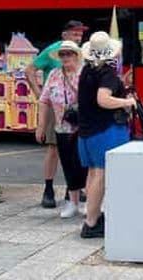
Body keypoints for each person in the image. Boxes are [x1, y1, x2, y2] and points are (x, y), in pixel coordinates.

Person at [77, 31, 134, 238]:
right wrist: (126, 102)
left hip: (86, 131)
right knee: (100, 174)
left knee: (93, 173)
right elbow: (103, 99)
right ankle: (91, 223)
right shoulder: (108, 74)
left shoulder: (86, 71)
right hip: (105, 130)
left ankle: (91, 216)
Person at [25, 20, 88, 209]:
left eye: (80, 34)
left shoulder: (82, 53)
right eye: (75, 34)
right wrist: (40, 94)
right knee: (54, 148)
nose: (78, 37)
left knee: (78, 150)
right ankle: (49, 189)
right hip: (57, 107)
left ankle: (74, 190)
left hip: (78, 111)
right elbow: (29, 70)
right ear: (64, 35)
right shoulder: (52, 51)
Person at [36, 41, 87, 219]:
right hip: (61, 127)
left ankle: (85, 200)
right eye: (63, 55)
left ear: (76, 55)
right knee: (68, 165)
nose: (65, 57)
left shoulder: (83, 73)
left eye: (69, 54)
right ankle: (72, 202)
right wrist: (41, 125)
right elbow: (43, 100)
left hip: (82, 128)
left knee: (83, 164)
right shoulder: (54, 74)